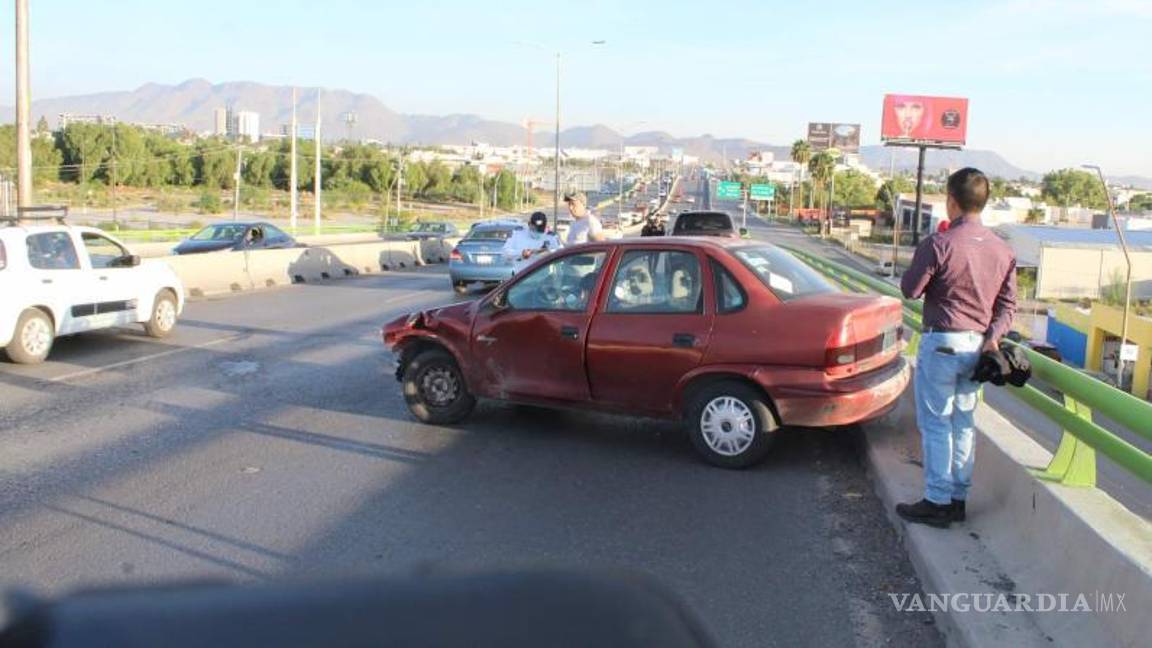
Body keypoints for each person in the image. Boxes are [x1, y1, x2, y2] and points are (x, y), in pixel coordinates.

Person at [896, 167, 1017, 528]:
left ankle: (936, 500)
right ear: (984, 202)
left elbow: (910, 290)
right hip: (978, 348)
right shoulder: (1002, 249)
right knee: (964, 422)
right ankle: (958, 499)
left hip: (943, 343)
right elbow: (1008, 306)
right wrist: (992, 336)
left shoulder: (940, 244)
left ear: (951, 200)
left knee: (935, 424)